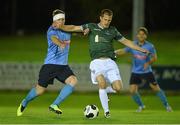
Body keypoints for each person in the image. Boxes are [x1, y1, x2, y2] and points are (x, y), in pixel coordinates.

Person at [54, 9, 149, 118]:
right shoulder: (91, 26)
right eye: (105, 19)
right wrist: (61, 26)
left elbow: (126, 41)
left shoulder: (113, 30)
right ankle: (107, 111)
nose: (107, 22)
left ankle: (105, 92)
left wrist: (140, 49)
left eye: (109, 20)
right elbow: (73, 27)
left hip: (110, 62)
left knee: (118, 88)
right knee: (102, 83)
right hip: (96, 62)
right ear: (100, 18)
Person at [17, 9, 79, 116]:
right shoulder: (51, 30)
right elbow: (54, 38)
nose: (62, 21)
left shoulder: (66, 29)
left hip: (63, 67)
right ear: (55, 21)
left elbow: (75, 31)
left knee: (73, 80)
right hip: (50, 66)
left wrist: (84, 32)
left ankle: (54, 105)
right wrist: (60, 43)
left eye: (63, 19)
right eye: (60, 19)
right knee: (40, 91)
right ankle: (25, 101)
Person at [115, 27, 172, 112]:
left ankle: (167, 105)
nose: (141, 35)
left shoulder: (150, 46)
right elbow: (123, 51)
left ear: (146, 36)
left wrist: (148, 63)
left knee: (156, 88)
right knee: (132, 90)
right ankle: (141, 106)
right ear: (137, 35)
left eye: (143, 34)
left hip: (147, 71)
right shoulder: (133, 44)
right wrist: (114, 52)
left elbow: (154, 58)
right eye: (139, 34)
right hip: (135, 71)